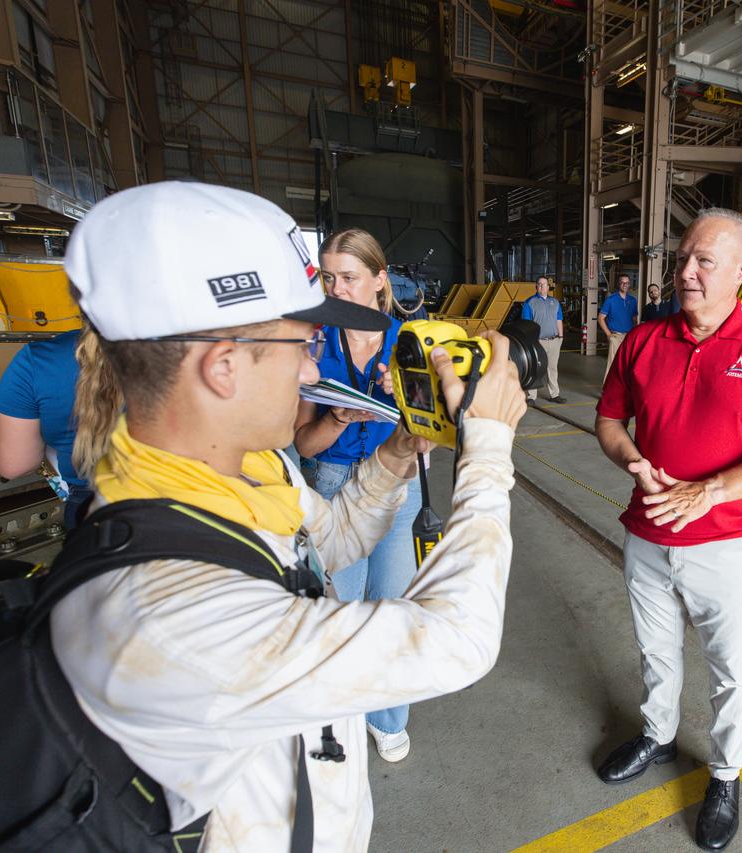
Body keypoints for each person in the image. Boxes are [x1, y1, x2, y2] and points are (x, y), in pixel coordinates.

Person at [56, 181, 525, 852]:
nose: (313, 364)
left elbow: (329, 540)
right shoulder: (168, 609)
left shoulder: (246, 471)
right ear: (224, 367)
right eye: (303, 343)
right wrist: (489, 448)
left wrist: (398, 451)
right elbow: (456, 639)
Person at [593, 208, 742, 851]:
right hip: (648, 534)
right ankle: (658, 738)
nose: (685, 273)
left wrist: (709, 491)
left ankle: (723, 773)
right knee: (656, 653)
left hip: (727, 541)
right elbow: (609, 422)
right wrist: (631, 459)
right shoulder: (641, 341)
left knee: (728, 667)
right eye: (683, 259)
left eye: (703, 262)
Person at [291, 228, 422, 762]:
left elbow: (430, 432)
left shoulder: (411, 341)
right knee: (339, 615)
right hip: (331, 486)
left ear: (379, 281)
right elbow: (304, 441)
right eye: (329, 277)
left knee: (390, 609)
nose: (337, 288)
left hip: (397, 487)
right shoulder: (314, 343)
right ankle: (339, 716)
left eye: (349, 277)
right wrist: (341, 416)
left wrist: (411, 402)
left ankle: (386, 716)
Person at [0, 326, 93, 528]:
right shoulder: (170, 350)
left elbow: (13, 465)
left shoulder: (38, 360)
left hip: (93, 510)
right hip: (170, 497)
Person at [520, 275, 566, 404]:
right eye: (539, 284)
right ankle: (531, 397)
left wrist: (560, 337)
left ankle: (555, 394)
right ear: (536, 286)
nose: (542, 286)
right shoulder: (530, 302)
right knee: (535, 368)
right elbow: (526, 324)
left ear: (548, 286)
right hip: (537, 341)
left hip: (554, 340)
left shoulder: (555, 302)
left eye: (544, 284)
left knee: (552, 368)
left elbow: (559, 320)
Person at [598, 274, 637, 379]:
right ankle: (607, 390)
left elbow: (634, 320)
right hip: (615, 336)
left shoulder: (633, 300)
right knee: (612, 364)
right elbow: (600, 318)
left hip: (629, 337)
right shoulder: (611, 300)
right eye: (622, 282)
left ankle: (622, 390)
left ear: (629, 284)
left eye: (627, 283)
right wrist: (609, 335)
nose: (625, 285)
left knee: (628, 364)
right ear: (618, 284)